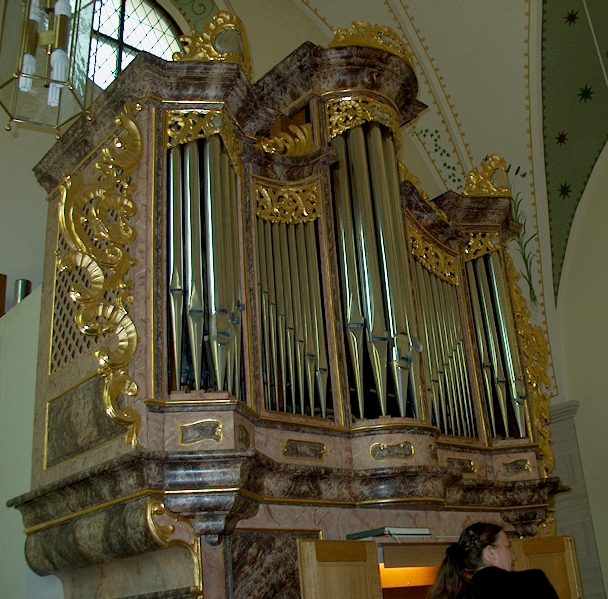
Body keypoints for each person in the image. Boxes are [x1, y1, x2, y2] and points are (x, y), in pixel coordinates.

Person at [428, 522, 558, 599]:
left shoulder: (458, 594)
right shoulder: (533, 582)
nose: (514, 556)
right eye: (508, 547)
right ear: (490, 553)